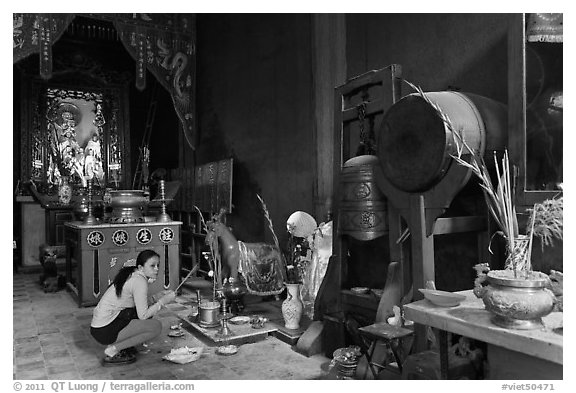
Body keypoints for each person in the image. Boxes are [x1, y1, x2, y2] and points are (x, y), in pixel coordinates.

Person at [90, 250, 176, 366]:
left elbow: (138, 303)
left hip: (99, 327)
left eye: (157, 265)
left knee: (147, 311)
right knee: (155, 326)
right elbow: (143, 315)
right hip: (104, 330)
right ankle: (114, 349)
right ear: (141, 267)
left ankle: (125, 345)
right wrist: (162, 301)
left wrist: (156, 297)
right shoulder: (139, 281)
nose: (156, 269)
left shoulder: (133, 274)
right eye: (152, 266)